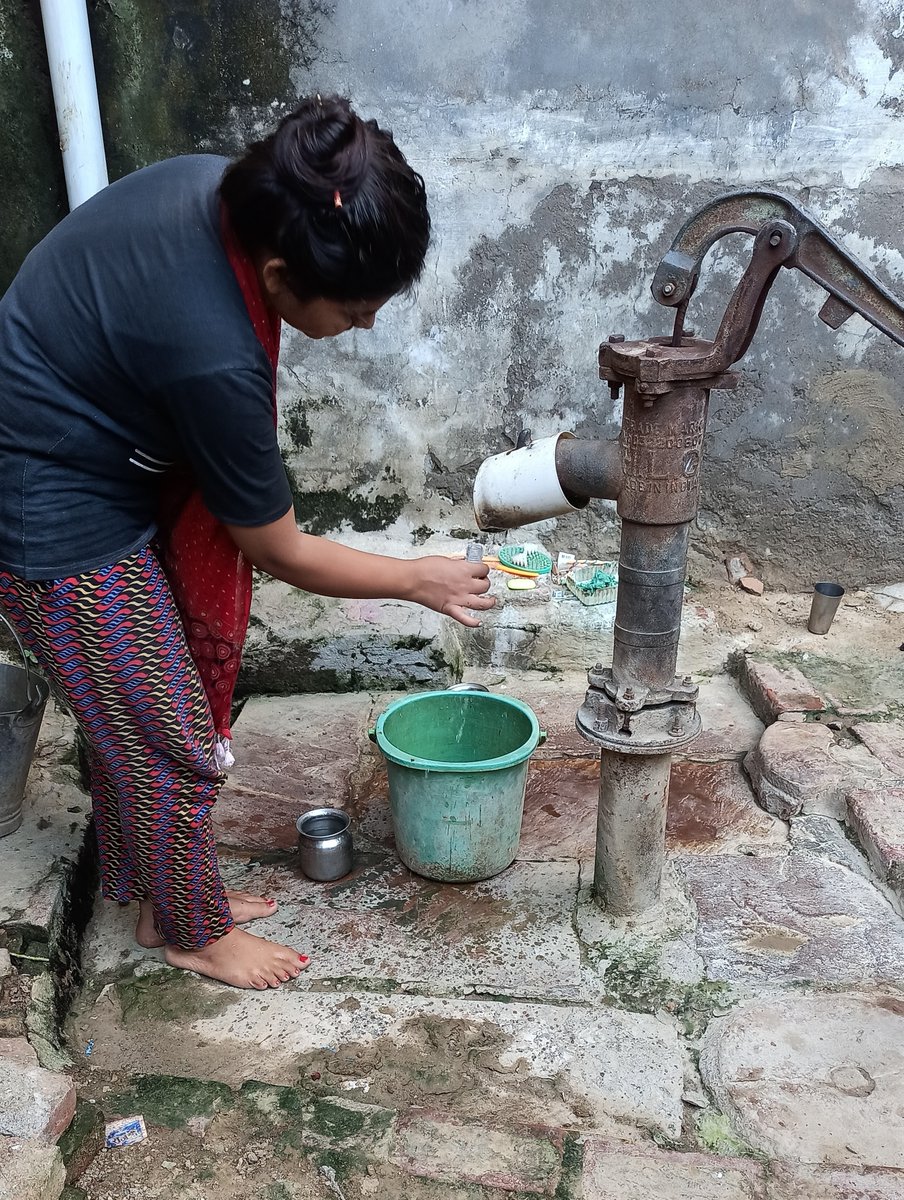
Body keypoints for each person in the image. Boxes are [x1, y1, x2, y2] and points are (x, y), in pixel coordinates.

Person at [0, 95, 493, 990]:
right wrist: (416, 579)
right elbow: (279, 548)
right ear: (275, 274)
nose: (365, 326)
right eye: (356, 309)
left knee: (134, 714)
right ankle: (193, 931)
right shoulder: (216, 352)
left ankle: (157, 896)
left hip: (91, 445)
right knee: (169, 733)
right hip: (46, 501)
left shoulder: (220, 194)